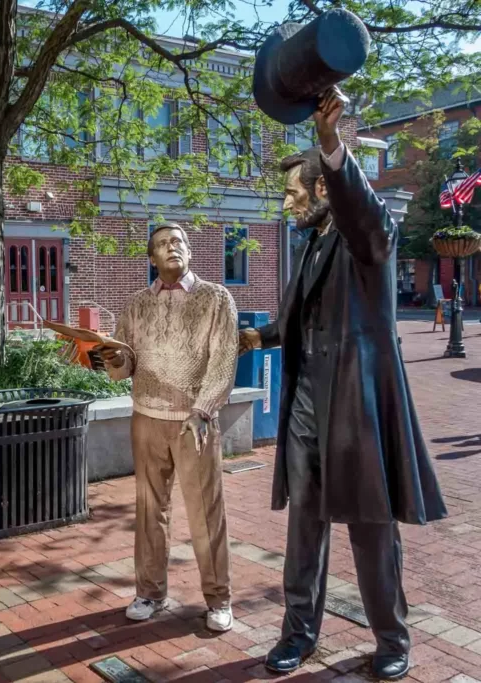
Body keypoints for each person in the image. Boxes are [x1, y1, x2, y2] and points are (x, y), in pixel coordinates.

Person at [238, 88, 447, 681]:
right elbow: (289, 321)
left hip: (356, 410)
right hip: (306, 409)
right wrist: (246, 338)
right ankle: (297, 635)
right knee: (305, 529)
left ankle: (391, 640)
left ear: (325, 190)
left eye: (292, 193)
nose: (285, 204)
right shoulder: (309, 248)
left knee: (369, 532)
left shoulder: (368, 237)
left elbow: (364, 215)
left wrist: (330, 144)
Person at [99, 223, 238, 633]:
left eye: (177, 242)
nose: (171, 247)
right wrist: (109, 355)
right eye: (162, 244)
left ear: (190, 251)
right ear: (151, 259)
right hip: (146, 419)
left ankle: (218, 598)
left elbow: (223, 360)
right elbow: (125, 368)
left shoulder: (216, 299)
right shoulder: (136, 304)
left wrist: (204, 409)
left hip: (193, 422)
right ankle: (149, 591)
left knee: (205, 513)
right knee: (149, 510)